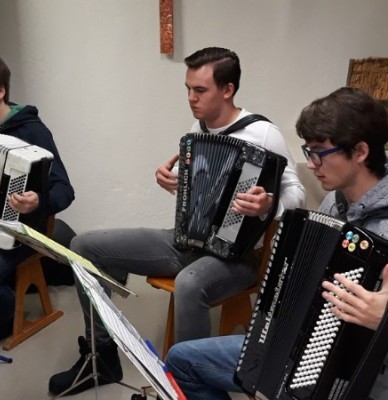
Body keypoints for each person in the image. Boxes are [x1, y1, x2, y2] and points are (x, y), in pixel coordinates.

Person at [48, 47, 305, 396]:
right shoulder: (198, 129)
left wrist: (269, 204)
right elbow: (200, 189)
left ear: (227, 90)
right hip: (187, 241)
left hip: (239, 256)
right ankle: (102, 355)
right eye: (188, 89)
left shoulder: (263, 133)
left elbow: (296, 192)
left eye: (200, 90)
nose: (191, 98)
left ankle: (187, 388)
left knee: (189, 283)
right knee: (83, 246)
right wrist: (172, 180)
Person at [164, 86, 388, 400]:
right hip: (295, 347)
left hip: (352, 375)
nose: (311, 164)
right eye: (308, 151)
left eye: (319, 152)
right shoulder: (334, 202)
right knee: (182, 361)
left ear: (359, 152)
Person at [0, 57, 75, 340]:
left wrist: (38, 201)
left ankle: (6, 314)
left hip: (21, 230)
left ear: (1, 91)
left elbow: (64, 189)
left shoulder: (31, 131)